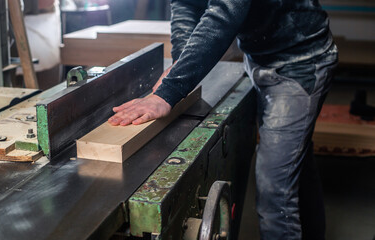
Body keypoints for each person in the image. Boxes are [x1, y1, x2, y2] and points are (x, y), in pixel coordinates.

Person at [108, 0, 338, 238]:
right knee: (296, 163)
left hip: (300, 60)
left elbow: (226, 13)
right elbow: (186, 4)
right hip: (262, 54)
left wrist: (167, 93)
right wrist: (180, 61)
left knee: (275, 195)